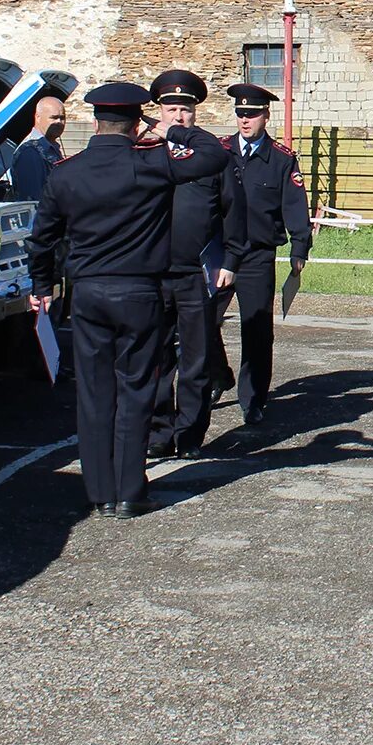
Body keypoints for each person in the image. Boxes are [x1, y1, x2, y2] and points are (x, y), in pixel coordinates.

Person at [26, 82, 230, 518]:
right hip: (139, 291)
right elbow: (214, 156)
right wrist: (175, 130)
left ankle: (99, 493)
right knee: (136, 390)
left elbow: (41, 239)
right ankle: (130, 492)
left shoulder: (65, 171)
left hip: (89, 293)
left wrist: (41, 287)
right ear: (139, 121)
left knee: (95, 393)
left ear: (96, 121)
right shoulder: (150, 162)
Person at [144, 69, 228, 460]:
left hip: (197, 272)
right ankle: (160, 431)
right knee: (156, 358)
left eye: (185, 110)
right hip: (152, 272)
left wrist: (228, 259)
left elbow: (232, 213)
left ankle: (191, 433)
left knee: (196, 357)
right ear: (157, 111)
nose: (178, 116)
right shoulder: (143, 150)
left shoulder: (211, 153)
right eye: (171, 108)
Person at [218, 83, 312, 425]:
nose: (245, 120)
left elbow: (293, 205)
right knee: (203, 321)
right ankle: (217, 373)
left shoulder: (281, 159)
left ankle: (253, 398)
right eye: (240, 113)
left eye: (252, 114)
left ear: (265, 116)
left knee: (256, 330)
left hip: (257, 254)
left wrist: (299, 246)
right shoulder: (220, 151)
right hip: (219, 253)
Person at [10, 95, 68, 201]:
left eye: (62, 118)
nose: (59, 122)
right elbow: (33, 200)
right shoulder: (30, 152)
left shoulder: (51, 148)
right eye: (54, 117)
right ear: (37, 117)